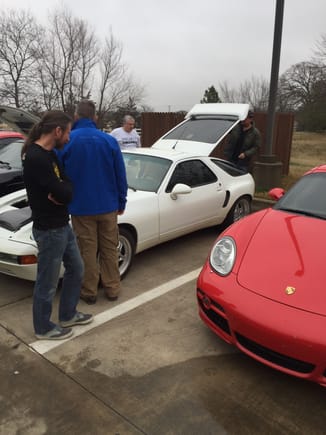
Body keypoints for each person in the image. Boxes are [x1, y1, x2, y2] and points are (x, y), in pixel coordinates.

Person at [22, 111, 93, 340]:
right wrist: (62, 190)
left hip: (62, 224)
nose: (70, 137)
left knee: (77, 268)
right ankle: (43, 328)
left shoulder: (50, 154)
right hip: (50, 229)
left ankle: (68, 314)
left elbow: (67, 186)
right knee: (47, 282)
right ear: (58, 131)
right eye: (69, 132)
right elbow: (64, 191)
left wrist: (62, 190)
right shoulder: (36, 157)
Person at [60, 100, 128, 305]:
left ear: (76, 116)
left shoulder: (67, 141)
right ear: (95, 117)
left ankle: (89, 291)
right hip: (108, 206)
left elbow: (59, 175)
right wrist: (121, 201)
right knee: (109, 248)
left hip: (81, 208)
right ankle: (112, 288)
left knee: (87, 251)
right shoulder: (109, 141)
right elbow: (120, 175)